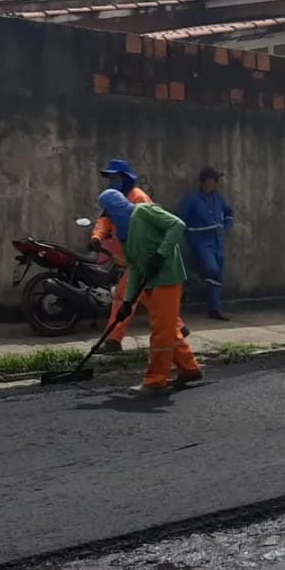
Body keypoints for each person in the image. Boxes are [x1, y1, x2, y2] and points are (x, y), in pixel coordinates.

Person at [98, 189, 202, 395]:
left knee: (160, 332)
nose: (107, 217)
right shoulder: (124, 234)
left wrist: (161, 254)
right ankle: (190, 369)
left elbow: (177, 225)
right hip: (150, 281)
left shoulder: (144, 211)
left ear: (116, 207)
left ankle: (155, 380)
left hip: (167, 278)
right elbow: (135, 267)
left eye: (107, 212)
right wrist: (128, 301)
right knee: (168, 328)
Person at [91, 158, 169, 352]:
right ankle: (177, 328)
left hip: (142, 255)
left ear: (125, 178)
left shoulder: (138, 198)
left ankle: (113, 340)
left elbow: (154, 225)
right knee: (149, 298)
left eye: (116, 177)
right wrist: (97, 238)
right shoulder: (113, 198)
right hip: (130, 256)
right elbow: (104, 221)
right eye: (110, 178)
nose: (112, 181)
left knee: (123, 296)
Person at [177, 167, 235, 321]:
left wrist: (227, 227)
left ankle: (215, 309)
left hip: (217, 241)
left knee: (218, 275)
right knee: (211, 269)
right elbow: (180, 217)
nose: (217, 183)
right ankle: (191, 277)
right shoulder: (192, 199)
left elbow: (229, 213)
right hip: (201, 240)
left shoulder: (218, 199)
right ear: (207, 181)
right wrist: (188, 234)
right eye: (215, 180)